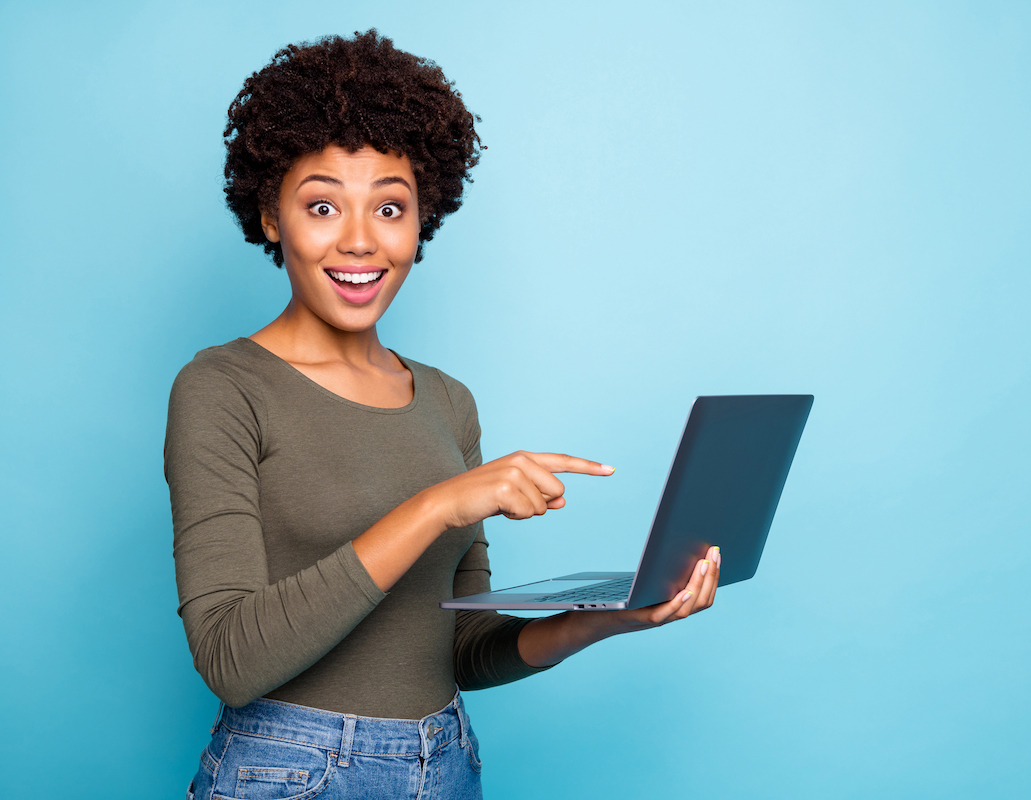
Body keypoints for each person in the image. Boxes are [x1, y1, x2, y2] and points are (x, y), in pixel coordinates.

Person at [165, 30, 720, 800]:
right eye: (322, 204)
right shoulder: (223, 387)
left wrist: (615, 618)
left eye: (390, 206)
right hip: (289, 771)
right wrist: (435, 506)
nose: (360, 240)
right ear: (270, 215)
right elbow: (230, 658)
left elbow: (458, 648)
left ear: (423, 218)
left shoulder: (449, 402)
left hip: (447, 760)